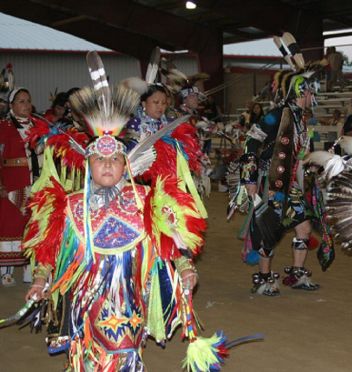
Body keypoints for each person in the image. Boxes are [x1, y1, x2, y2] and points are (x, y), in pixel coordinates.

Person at [21, 56, 225, 371]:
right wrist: (40, 278)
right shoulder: (71, 206)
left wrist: (186, 268)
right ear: (87, 164)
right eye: (100, 161)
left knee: (125, 356)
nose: (106, 165)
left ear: (126, 164)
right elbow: (51, 250)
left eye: (114, 160)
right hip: (85, 301)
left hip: (130, 302)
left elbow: (169, 241)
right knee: (87, 359)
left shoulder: (146, 199)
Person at [236, 69, 330, 296]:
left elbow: (299, 151)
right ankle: (264, 279)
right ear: (301, 92)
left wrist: (313, 165)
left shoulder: (301, 118)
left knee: (304, 227)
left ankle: (297, 274)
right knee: (269, 231)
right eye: (310, 92)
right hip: (272, 183)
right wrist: (249, 177)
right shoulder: (277, 115)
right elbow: (251, 139)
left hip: (292, 184)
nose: (312, 97)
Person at [0, 88, 45, 286]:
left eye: (28, 101)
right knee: (10, 226)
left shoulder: (40, 126)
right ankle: (6, 271)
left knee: (33, 225)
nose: (25, 105)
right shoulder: (4, 127)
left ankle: (31, 269)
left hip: (36, 182)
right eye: (20, 101)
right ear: (11, 106)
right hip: (11, 184)